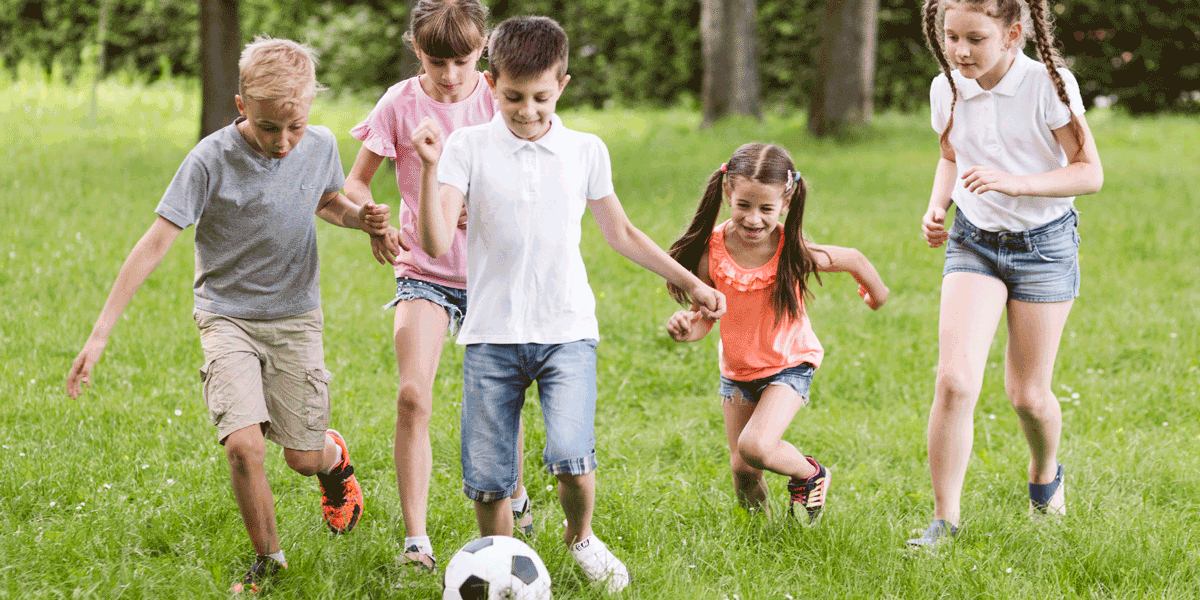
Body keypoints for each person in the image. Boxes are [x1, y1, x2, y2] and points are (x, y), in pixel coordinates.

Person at [411, 16, 726, 592]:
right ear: (490, 82)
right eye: (512, 97)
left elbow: (622, 233)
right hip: (490, 334)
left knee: (571, 457)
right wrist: (431, 169)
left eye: (540, 96)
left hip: (567, 331)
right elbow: (434, 242)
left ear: (563, 84)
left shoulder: (585, 150)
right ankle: (502, 561)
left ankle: (579, 537)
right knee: (488, 478)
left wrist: (692, 281)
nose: (527, 110)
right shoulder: (466, 146)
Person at [64, 37, 383, 593]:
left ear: (310, 110)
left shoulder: (321, 146)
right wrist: (98, 337)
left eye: (295, 127)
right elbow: (155, 242)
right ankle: (269, 562)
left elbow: (328, 201)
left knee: (301, 459)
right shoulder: (209, 160)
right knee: (244, 445)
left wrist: (365, 220)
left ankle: (332, 461)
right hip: (226, 316)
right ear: (241, 106)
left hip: (294, 317)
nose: (283, 143)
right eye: (267, 128)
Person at [343, 0, 532, 573]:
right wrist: (372, 215)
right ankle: (417, 542)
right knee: (412, 396)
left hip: (494, 274)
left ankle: (516, 494)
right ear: (416, 49)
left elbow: (534, 168)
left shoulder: (499, 98)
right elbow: (355, 182)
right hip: (425, 271)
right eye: (435, 61)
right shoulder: (399, 104)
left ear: (484, 52)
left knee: (500, 403)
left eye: (464, 60)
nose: (450, 77)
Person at [908, 0, 1103, 546]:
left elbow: (1090, 173)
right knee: (954, 381)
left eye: (975, 38)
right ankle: (944, 522)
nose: (960, 50)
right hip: (975, 241)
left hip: (1044, 247)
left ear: (1012, 34)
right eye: (951, 37)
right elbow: (951, 152)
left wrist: (1017, 183)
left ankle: (1045, 474)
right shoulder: (945, 87)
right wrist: (938, 206)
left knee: (1027, 395)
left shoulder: (1048, 84)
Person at [663, 143, 889, 523]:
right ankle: (761, 538)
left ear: (785, 203)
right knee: (743, 471)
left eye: (766, 209)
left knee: (756, 446)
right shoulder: (711, 253)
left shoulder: (791, 250)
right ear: (728, 194)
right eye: (744, 205)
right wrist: (688, 327)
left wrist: (875, 296)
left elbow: (853, 258)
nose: (753, 219)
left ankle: (811, 474)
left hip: (788, 363)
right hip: (737, 372)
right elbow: (705, 317)